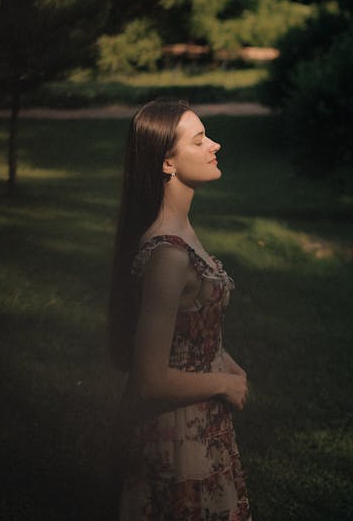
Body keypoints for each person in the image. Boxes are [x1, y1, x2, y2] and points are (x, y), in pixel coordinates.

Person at [108, 99, 252, 520]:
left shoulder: (182, 231)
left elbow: (187, 333)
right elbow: (149, 378)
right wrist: (223, 386)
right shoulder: (167, 255)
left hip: (200, 425)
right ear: (167, 164)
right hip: (175, 439)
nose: (215, 145)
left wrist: (228, 364)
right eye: (200, 139)